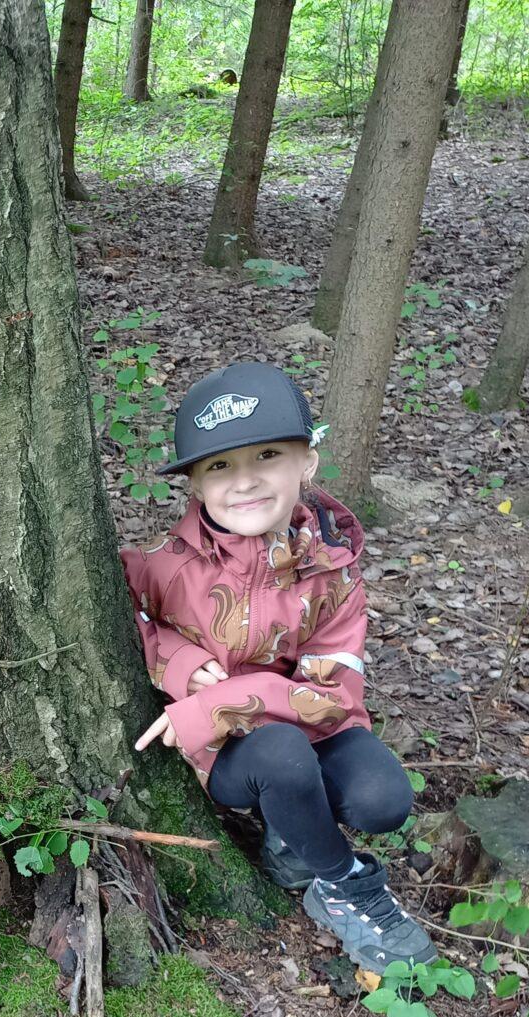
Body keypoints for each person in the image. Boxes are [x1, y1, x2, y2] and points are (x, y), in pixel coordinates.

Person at [122, 361, 436, 974]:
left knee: (383, 799)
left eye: (267, 454)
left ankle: (292, 832)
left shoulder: (333, 573)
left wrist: (225, 697)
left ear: (308, 461)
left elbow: (332, 699)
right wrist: (181, 660)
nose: (244, 481)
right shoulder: (162, 567)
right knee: (281, 754)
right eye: (219, 465)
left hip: (310, 730)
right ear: (193, 484)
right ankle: (349, 886)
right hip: (234, 754)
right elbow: (124, 619)